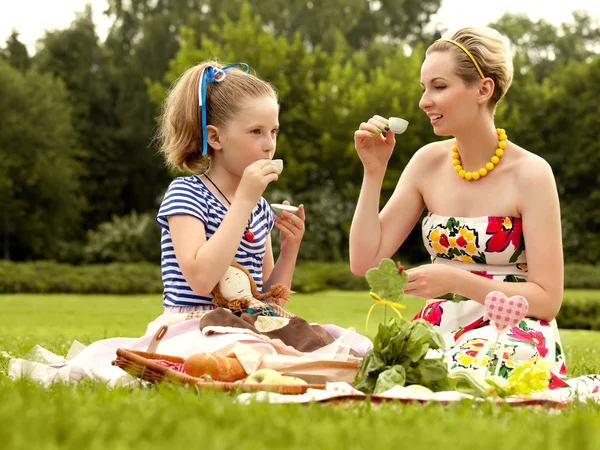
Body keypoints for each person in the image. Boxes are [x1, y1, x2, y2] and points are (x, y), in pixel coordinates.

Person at [349, 26, 570, 379]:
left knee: (469, 374)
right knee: (384, 373)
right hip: (438, 328)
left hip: (513, 327)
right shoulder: (426, 163)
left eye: (439, 86)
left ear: (483, 89)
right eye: (425, 88)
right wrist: (373, 172)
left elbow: (547, 300)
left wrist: (455, 280)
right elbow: (364, 262)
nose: (424, 101)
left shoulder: (532, 174)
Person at [155, 61, 306, 314]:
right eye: (256, 131)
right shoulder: (186, 194)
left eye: (274, 131)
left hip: (247, 326)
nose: (269, 145)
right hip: (196, 329)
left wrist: (289, 250)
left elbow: (268, 302)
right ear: (215, 138)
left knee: (327, 341)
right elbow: (201, 280)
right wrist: (244, 201)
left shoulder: (259, 208)